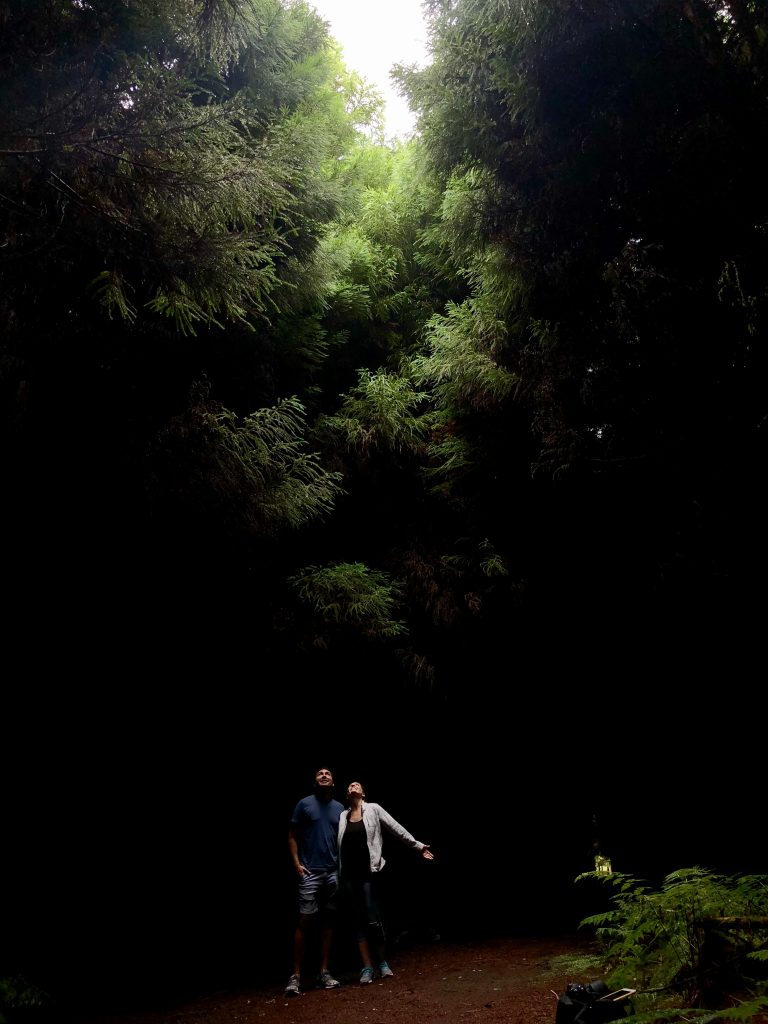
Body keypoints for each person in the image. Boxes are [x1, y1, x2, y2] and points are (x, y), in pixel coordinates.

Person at [338, 780, 434, 984]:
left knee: (373, 920)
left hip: (368, 873)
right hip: (348, 876)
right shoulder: (342, 816)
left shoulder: (373, 809)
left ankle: (382, 963)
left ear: (363, 792)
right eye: (349, 786)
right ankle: (367, 967)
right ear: (347, 794)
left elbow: (395, 827)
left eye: (357, 785)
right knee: (357, 921)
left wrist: (417, 846)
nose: (352, 787)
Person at [284, 766, 345, 997]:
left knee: (329, 921)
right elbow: (291, 835)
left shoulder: (340, 808)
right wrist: (296, 864)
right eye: (319, 773)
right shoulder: (304, 804)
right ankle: (296, 975)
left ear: (332, 781)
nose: (324, 775)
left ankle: (323, 972)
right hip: (310, 872)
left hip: (332, 873)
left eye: (328, 773)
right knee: (304, 921)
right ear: (314, 781)